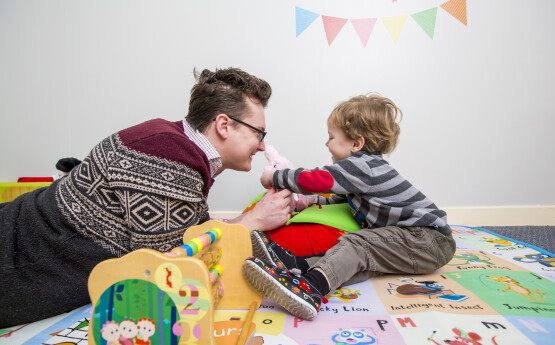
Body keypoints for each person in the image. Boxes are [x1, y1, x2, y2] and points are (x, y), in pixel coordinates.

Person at [0, 67, 292, 328]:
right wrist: (252, 221)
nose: (262, 144)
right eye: (258, 132)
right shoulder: (171, 159)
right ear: (224, 125)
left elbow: (190, 235)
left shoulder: (172, 142)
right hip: (19, 260)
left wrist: (246, 221)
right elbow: (169, 269)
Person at [243, 93, 456, 321]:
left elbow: (317, 179)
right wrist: (311, 203)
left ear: (356, 144)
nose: (327, 144)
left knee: (357, 243)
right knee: (359, 260)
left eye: (331, 137)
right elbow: (343, 201)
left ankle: (311, 288)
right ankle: (297, 266)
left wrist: (276, 177)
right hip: (421, 242)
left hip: (428, 238)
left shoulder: (362, 166)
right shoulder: (364, 173)